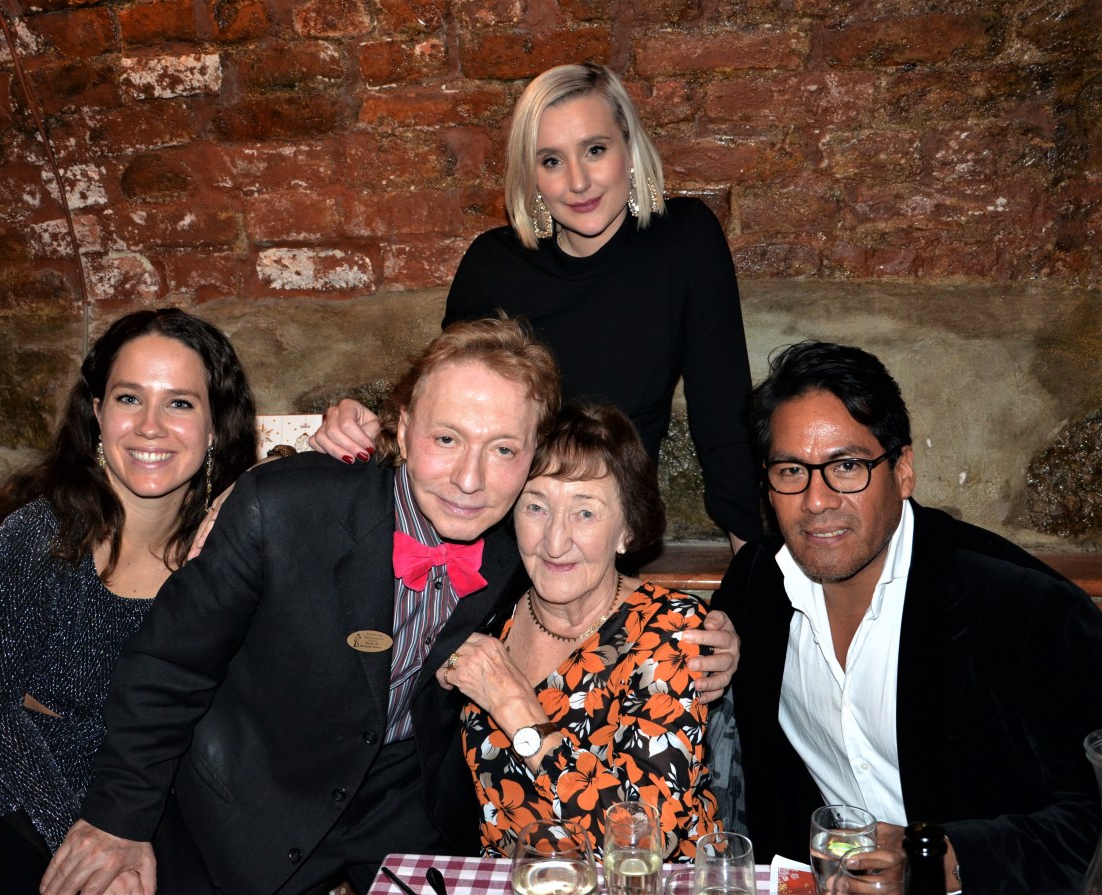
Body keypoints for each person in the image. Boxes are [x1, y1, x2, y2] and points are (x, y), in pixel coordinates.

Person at [40, 318, 562, 895]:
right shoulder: (283, 508)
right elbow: (168, 667)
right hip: (245, 802)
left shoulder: (524, 546)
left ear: (533, 455)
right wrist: (118, 820)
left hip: (404, 810)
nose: (469, 479)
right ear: (405, 425)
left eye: (503, 449)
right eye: (446, 439)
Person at [310, 62, 761, 551]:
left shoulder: (683, 243)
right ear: (532, 175)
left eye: (595, 150)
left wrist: (750, 571)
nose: (578, 181)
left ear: (629, 149)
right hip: (491, 542)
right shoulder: (493, 266)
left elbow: (723, 418)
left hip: (602, 540)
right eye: (551, 161)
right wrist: (364, 426)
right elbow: (442, 410)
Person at [711, 340, 1102, 894]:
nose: (817, 500)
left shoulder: (1028, 610)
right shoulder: (756, 586)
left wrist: (939, 859)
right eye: (792, 470)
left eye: (847, 466)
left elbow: (1091, 819)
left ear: (903, 471)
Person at [0, 308, 258, 894]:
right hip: (8, 775)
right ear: (98, 413)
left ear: (215, 427)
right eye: (129, 398)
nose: (150, 426)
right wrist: (87, 841)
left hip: (147, 782)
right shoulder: (39, 535)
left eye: (179, 403)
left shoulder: (227, 552)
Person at [444, 404, 719, 860]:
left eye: (585, 513)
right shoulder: (486, 610)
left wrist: (515, 706)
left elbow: (644, 838)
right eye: (536, 507)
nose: (555, 542)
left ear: (627, 529)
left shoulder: (670, 630)